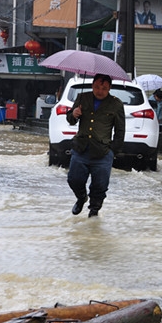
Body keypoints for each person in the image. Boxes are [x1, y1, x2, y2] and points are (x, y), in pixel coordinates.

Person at [66, 74, 125, 218]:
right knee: (74, 179)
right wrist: (74, 114)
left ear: (109, 88)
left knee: (100, 186)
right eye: (97, 87)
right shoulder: (82, 98)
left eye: (104, 88)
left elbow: (120, 130)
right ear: (92, 85)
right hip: (81, 148)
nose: (100, 91)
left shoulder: (116, 104)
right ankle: (81, 198)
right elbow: (70, 120)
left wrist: (112, 151)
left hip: (103, 152)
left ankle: (94, 211)